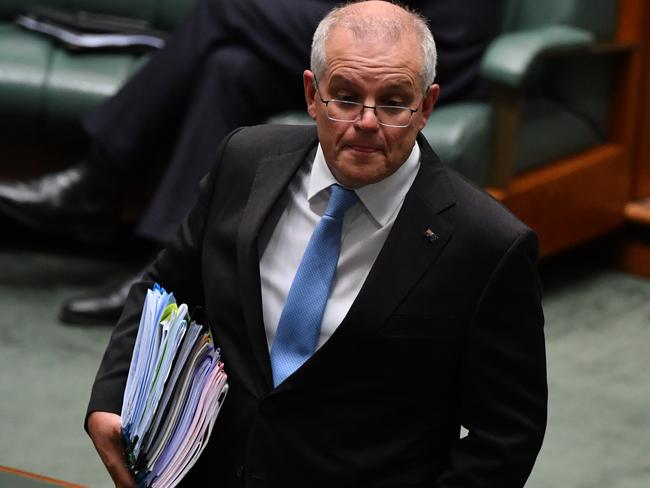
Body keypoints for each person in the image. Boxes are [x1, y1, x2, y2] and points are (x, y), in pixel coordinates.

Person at [86, 2, 547, 486]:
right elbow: (165, 288)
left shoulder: (488, 245)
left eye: (393, 102)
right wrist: (111, 398)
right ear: (312, 93)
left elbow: (506, 436)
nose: (367, 122)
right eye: (345, 98)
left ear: (426, 107)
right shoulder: (243, 161)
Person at [0, 0, 503, 326]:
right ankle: (166, 271)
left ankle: (98, 180)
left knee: (226, 8)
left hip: (424, 52)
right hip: (370, 43)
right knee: (230, 68)